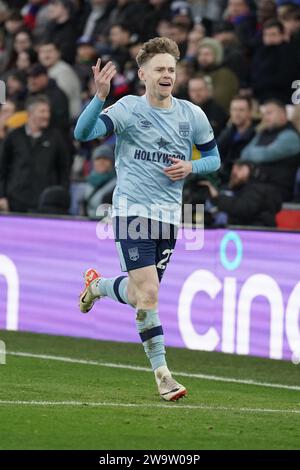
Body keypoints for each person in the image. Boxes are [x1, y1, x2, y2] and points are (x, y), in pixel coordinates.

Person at [74, 37, 220, 401]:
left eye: (172, 68)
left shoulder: (192, 115)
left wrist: (192, 165)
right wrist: (99, 97)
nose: (167, 74)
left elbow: (215, 161)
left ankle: (98, 286)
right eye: (160, 69)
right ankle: (163, 374)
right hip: (131, 213)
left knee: (142, 297)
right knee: (150, 294)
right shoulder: (127, 109)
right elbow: (82, 134)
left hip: (170, 218)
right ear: (143, 74)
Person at [0, 95, 70, 213]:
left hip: (46, 203)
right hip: (15, 201)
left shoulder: (56, 137)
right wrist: (2, 196)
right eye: (42, 111)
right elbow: (2, 169)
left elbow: (64, 169)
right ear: (30, 113)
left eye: (48, 111)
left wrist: (61, 195)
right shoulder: (14, 136)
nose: (46, 115)